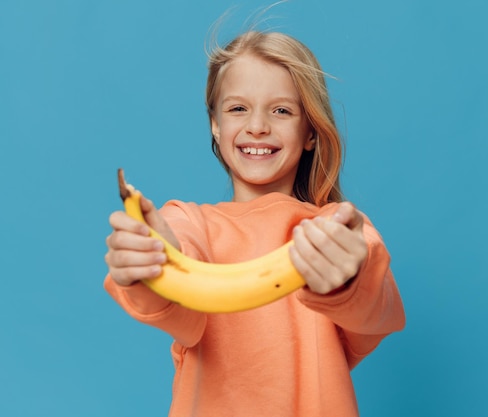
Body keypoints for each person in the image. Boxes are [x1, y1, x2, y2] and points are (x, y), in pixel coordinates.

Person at [103, 30, 405, 416]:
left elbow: (376, 311)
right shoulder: (188, 222)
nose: (258, 126)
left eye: (281, 110)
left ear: (310, 131)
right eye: (237, 109)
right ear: (215, 124)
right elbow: (180, 295)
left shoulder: (337, 230)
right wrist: (151, 257)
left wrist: (347, 279)